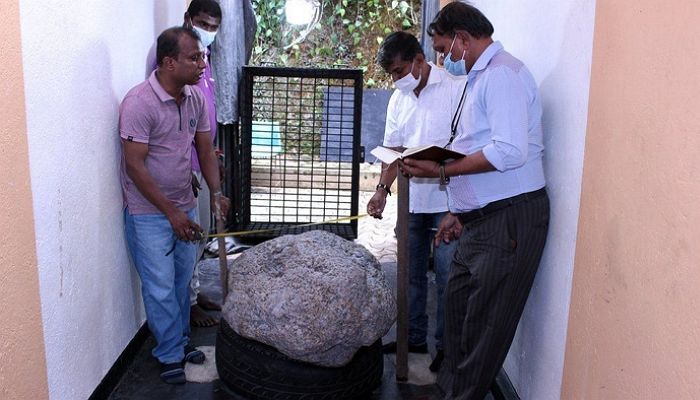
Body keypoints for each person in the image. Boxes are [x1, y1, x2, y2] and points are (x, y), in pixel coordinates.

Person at [400, 3, 550, 399]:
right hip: (482, 221)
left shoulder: (502, 75)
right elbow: (477, 143)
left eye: (444, 49)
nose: (442, 58)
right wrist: (458, 211)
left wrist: (442, 173)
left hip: (510, 222)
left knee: (483, 331)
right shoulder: (479, 76)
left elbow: (508, 151)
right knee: (460, 319)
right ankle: (450, 392)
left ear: (463, 39)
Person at [120, 26, 230, 384]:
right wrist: (171, 213)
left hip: (184, 204)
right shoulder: (139, 103)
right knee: (160, 287)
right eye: (195, 57)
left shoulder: (195, 97)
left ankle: (180, 343)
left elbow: (204, 149)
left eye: (203, 56)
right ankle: (168, 353)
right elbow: (133, 165)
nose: (203, 63)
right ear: (169, 62)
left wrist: (216, 193)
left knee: (182, 283)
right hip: (149, 213)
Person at [368, 31, 464, 372]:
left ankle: (445, 349)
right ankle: (412, 338)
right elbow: (392, 150)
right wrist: (382, 189)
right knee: (409, 274)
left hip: (447, 200)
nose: (396, 80)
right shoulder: (399, 99)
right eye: (391, 74)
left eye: (398, 71)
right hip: (411, 200)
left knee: (447, 273)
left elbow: (466, 147)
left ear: (419, 61)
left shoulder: (455, 90)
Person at [147, 0, 223, 328]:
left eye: (213, 27)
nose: (208, 33)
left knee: (199, 233)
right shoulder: (172, 63)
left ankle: (193, 290)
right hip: (184, 166)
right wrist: (186, 167)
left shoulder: (202, 62)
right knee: (188, 236)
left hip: (202, 157)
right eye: (203, 24)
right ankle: (188, 303)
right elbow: (169, 119)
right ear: (188, 19)